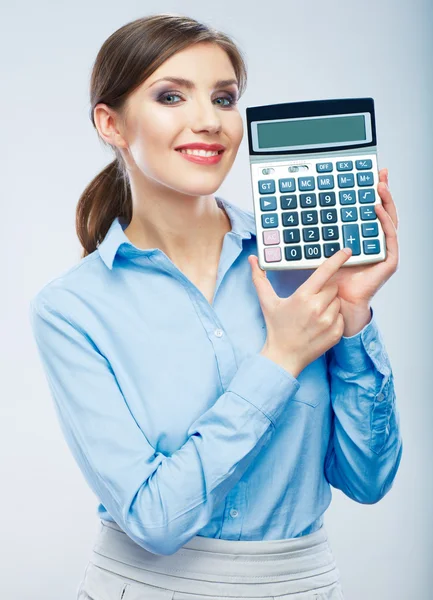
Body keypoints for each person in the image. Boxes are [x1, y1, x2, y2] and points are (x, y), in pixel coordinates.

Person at [29, 13, 403, 600]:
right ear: (112, 123)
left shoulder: (302, 268)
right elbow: (155, 520)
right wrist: (280, 359)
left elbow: (369, 478)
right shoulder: (72, 308)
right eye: (171, 96)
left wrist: (353, 321)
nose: (208, 121)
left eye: (224, 98)